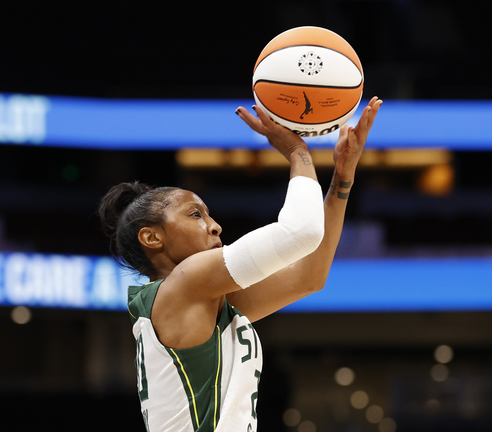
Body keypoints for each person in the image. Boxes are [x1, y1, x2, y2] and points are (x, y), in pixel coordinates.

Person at [98, 97, 382, 432]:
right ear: (152, 238)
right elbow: (300, 231)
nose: (215, 225)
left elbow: (310, 277)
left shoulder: (203, 299)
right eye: (195, 214)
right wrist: (296, 151)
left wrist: (341, 179)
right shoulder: (186, 282)